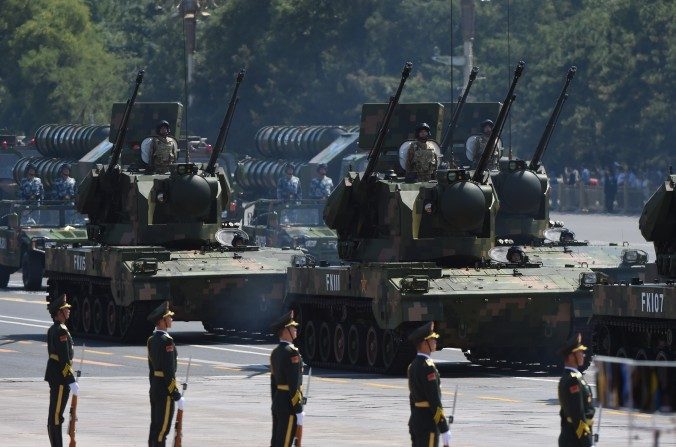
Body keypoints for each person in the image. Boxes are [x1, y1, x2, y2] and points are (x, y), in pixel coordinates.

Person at [407, 322, 451, 447]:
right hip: (428, 423)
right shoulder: (428, 367)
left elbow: (412, 398)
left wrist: (415, 418)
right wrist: (444, 428)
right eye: (432, 339)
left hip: (416, 420)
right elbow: (434, 400)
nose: (435, 341)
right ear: (424, 343)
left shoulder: (412, 366)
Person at [147, 301, 184, 447]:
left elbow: (151, 368)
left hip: (155, 387)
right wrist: (175, 393)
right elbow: (168, 371)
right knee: (163, 430)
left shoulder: (151, 340)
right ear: (162, 321)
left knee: (155, 427)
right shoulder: (167, 341)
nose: (171, 319)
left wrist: (153, 387)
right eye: (169, 317)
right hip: (165, 391)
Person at [44, 294, 77, 447]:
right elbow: (64, 358)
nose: (68, 311)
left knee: (55, 415)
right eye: (65, 309)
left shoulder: (53, 329)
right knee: (56, 416)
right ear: (59, 312)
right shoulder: (61, 331)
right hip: (60, 378)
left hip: (55, 375)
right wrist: (70, 379)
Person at [269, 310, 304, 447]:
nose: (295, 329)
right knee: (285, 443)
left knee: (276, 441)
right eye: (292, 327)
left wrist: (276, 403)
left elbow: (273, 384)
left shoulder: (275, 353)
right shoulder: (291, 353)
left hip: (278, 403)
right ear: (285, 331)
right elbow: (293, 385)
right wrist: (298, 409)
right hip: (289, 405)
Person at [557, 333, 595, 447]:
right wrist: (587, 442)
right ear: (571, 356)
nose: (583, 354)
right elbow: (577, 414)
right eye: (580, 352)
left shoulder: (574, 377)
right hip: (574, 440)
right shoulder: (572, 380)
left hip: (575, 437)